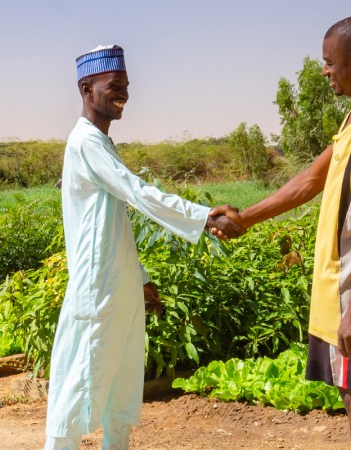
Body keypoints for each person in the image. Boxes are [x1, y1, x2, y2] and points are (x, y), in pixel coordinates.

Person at [45, 45, 243, 450]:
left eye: (126, 86)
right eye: (115, 86)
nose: (125, 94)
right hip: (96, 291)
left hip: (118, 289)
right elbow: (138, 194)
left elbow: (112, 226)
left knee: (121, 383)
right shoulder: (85, 142)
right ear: (87, 88)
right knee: (77, 387)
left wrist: (141, 278)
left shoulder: (100, 143)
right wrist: (204, 216)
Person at [210, 16, 351, 433]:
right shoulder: (349, 124)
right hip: (336, 293)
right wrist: (245, 219)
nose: (324, 71)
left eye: (330, 62)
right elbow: (310, 180)